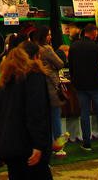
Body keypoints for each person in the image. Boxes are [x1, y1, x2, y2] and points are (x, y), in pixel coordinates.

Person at [0, 41, 53, 180]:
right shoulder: (33, 74)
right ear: (36, 57)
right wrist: (38, 144)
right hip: (26, 145)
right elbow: (35, 111)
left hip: (9, 143)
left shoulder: (6, 76)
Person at [67, 23, 98, 151]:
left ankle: (86, 143)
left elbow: (71, 67)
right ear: (94, 33)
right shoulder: (96, 47)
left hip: (80, 85)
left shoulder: (74, 46)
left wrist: (74, 82)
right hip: (95, 84)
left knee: (85, 113)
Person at [32, 25, 69, 158]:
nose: (50, 37)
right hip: (52, 87)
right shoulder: (47, 49)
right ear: (43, 35)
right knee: (55, 118)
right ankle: (59, 147)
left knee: (45, 119)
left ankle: (47, 146)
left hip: (39, 88)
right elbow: (60, 64)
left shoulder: (34, 48)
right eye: (48, 34)